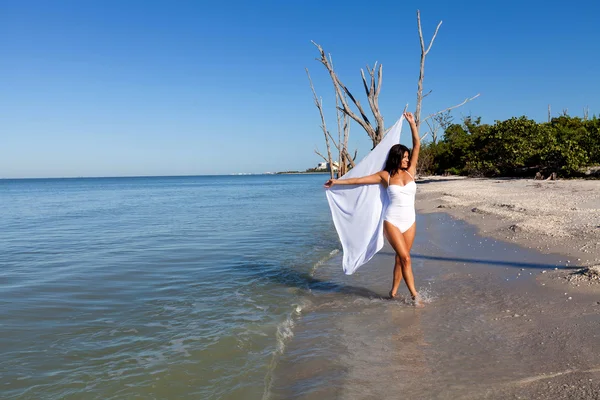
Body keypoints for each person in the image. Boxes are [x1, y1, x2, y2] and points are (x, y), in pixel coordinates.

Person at [324, 111, 422, 306]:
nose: (407, 159)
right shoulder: (384, 176)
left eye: (407, 157)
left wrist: (412, 124)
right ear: (396, 158)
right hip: (392, 221)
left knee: (400, 259)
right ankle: (415, 296)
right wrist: (337, 182)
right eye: (403, 157)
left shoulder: (410, 172)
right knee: (406, 258)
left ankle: (393, 292)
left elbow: (417, 144)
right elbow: (359, 180)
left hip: (410, 221)